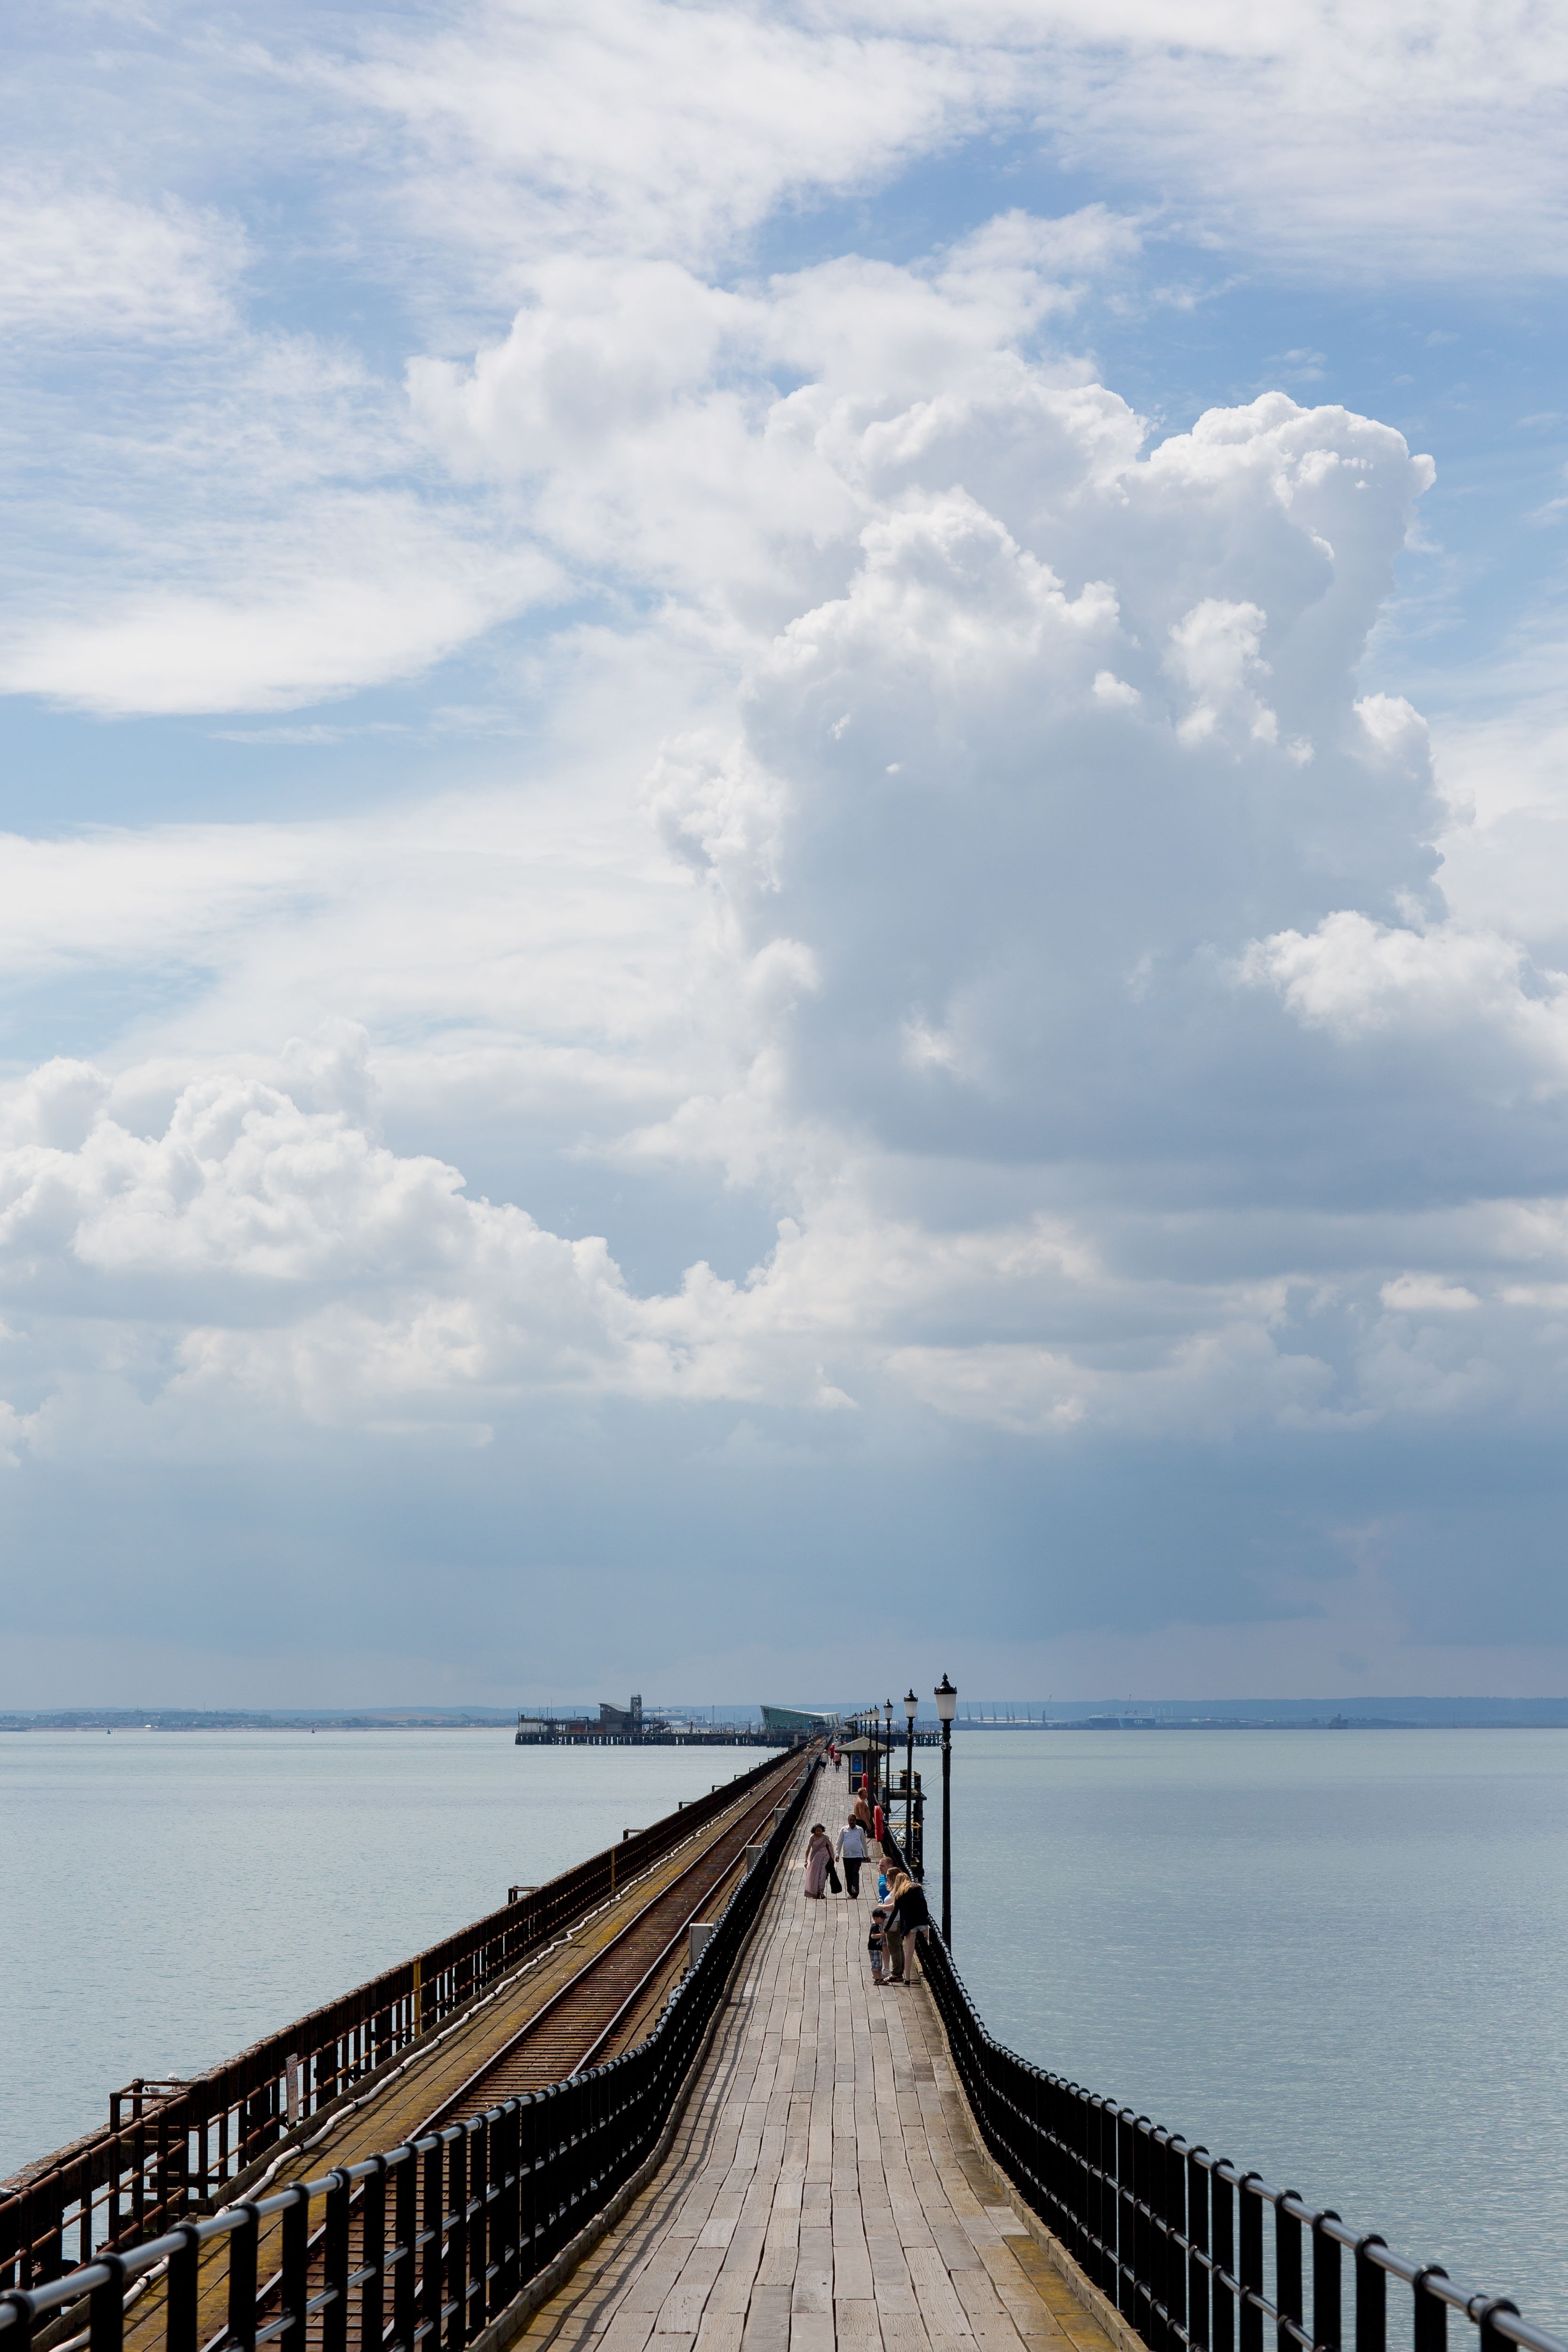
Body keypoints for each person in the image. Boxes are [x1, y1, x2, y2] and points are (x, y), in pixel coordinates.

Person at [883, 1869, 932, 1984]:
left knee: (909, 1952)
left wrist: (886, 1929)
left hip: (909, 1925)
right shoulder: (917, 1888)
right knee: (933, 1941)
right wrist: (927, 1916)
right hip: (921, 1921)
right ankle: (940, 1959)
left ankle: (908, 1980)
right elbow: (923, 1903)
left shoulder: (900, 1894)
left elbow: (894, 1913)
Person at [836, 1811, 868, 1897]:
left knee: (855, 1873)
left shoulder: (860, 1830)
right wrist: (837, 1854)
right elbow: (839, 1843)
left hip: (857, 1856)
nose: (852, 1822)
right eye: (850, 1820)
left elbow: (864, 1843)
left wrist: (866, 1856)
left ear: (856, 1821)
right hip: (847, 1856)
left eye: (853, 1820)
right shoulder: (844, 1830)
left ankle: (855, 1892)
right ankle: (850, 1891)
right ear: (848, 1821)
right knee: (848, 1875)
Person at [803, 1823, 834, 1899]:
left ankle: (821, 1892)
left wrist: (833, 1858)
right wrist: (806, 1860)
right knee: (815, 1875)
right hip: (815, 1858)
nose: (819, 1833)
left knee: (823, 1874)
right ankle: (815, 1891)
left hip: (825, 1857)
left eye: (820, 1831)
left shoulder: (825, 1838)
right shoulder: (812, 1837)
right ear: (815, 1831)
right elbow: (808, 1849)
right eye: (817, 1831)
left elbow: (830, 1848)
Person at [867, 1897, 891, 1984]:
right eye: (882, 1918)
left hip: (877, 1948)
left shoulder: (878, 1926)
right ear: (876, 1918)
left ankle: (880, 1978)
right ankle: (877, 1979)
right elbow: (873, 1936)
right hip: (873, 1949)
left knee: (880, 1964)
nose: (884, 1920)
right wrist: (881, 1935)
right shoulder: (875, 1927)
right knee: (876, 1964)